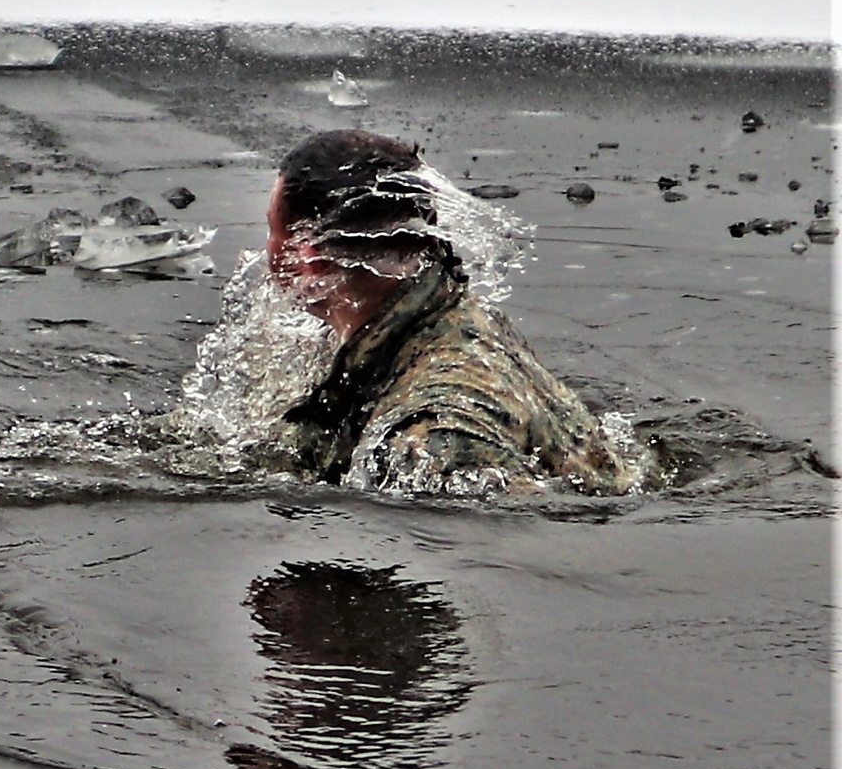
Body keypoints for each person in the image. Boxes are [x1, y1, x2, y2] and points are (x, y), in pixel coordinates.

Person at [262, 129, 647, 496]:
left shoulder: (430, 437)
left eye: (271, 230)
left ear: (307, 256)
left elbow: (523, 534)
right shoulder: (459, 317)